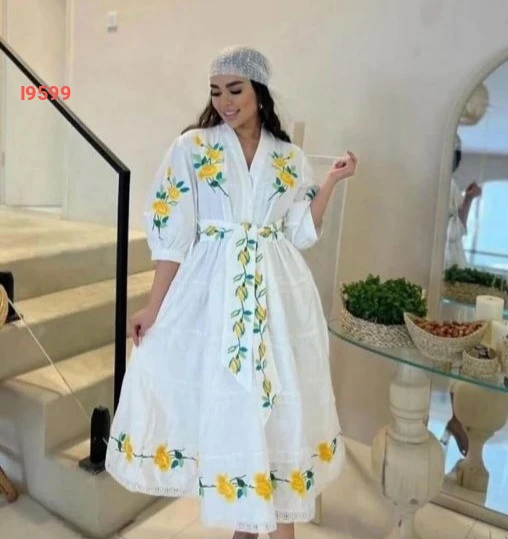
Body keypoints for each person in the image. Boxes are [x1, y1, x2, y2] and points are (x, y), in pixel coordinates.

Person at [105, 45, 357, 539]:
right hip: (213, 290)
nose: (224, 101)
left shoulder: (288, 157)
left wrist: (331, 181)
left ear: (258, 92)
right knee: (232, 403)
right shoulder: (193, 147)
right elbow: (174, 232)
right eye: (216, 91)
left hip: (279, 294)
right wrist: (154, 306)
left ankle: (264, 523)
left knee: (278, 408)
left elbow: (300, 229)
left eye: (235, 90)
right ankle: (251, 522)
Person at [441, 134, 482, 456]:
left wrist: (467, 199)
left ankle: (458, 416)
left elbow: (460, 228)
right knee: (450, 343)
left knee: (462, 342)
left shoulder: (452, 186)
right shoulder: (434, 184)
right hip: (440, 267)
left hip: (456, 265)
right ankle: (455, 417)